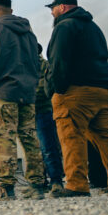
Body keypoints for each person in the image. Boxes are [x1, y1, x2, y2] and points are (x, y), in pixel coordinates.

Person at [45, 0, 108, 196]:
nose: (51, 12)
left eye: (53, 8)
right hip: (101, 89)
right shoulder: (94, 27)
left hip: (75, 91)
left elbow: (58, 61)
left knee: (71, 136)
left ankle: (76, 185)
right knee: (104, 135)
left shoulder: (64, 27)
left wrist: (55, 90)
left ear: (63, 7)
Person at [0, 0, 46, 200]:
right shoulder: (29, 33)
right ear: (11, 9)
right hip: (27, 93)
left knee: (4, 141)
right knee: (30, 139)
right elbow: (36, 63)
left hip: (2, 94)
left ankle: (6, 189)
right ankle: (37, 185)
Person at [35, 44, 65, 196]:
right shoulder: (22, 67)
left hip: (43, 110)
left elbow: (46, 88)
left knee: (48, 147)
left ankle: (56, 180)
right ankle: (40, 181)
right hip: (28, 112)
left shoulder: (44, 66)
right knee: (34, 149)